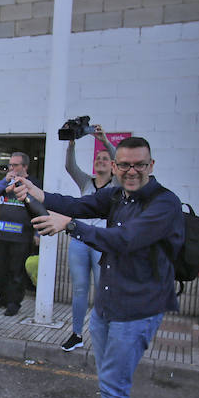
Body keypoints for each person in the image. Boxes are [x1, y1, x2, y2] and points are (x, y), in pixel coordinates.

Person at [12, 136, 184, 398]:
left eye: (138, 165)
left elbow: (125, 240)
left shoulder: (165, 204)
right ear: (115, 167)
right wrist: (38, 193)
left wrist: (70, 226)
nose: (131, 171)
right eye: (124, 165)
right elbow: (80, 203)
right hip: (107, 305)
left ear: (151, 166)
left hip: (137, 309)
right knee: (112, 387)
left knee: (114, 388)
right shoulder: (118, 194)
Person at [61, 125, 117, 351]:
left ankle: (104, 334)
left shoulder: (116, 185)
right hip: (79, 241)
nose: (100, 160)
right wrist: (72, 143)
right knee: (80, 289)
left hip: (102, 242)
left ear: (112, 166)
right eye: (98, 158)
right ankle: (76, 334)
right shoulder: (86, 182)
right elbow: (69, 166)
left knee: (103, 288)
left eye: (105, 159)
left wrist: (105, 141)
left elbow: (118, 160)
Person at [0, 152, 42, 317]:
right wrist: (5, 180)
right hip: (3, 235)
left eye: (15, 165)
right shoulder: (6, 183)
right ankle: (2, 298)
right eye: (9, 165)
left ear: (25, 167)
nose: (11, 168)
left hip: (22, 236)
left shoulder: (33, 184)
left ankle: (14, 303)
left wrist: (38, 233)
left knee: (17, 272)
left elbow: (38, 209)